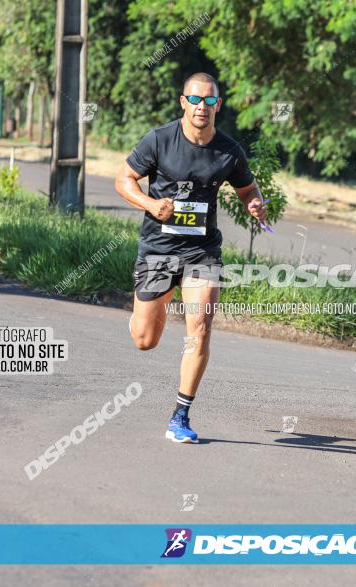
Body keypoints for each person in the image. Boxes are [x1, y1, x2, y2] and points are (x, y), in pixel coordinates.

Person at [114, 72, 268, 444]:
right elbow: (123, 181)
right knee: (145, 340)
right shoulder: (159, 139)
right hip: (159, 250)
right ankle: (150, 310)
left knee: (200, 329)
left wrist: (256, 204)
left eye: (209, 101)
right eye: (195, 100)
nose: (202, 107)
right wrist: (152, 204)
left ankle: (180, 416)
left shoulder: (229, 150)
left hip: (202, 251)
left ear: (218, 105)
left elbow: (248, 189)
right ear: (183, 102)